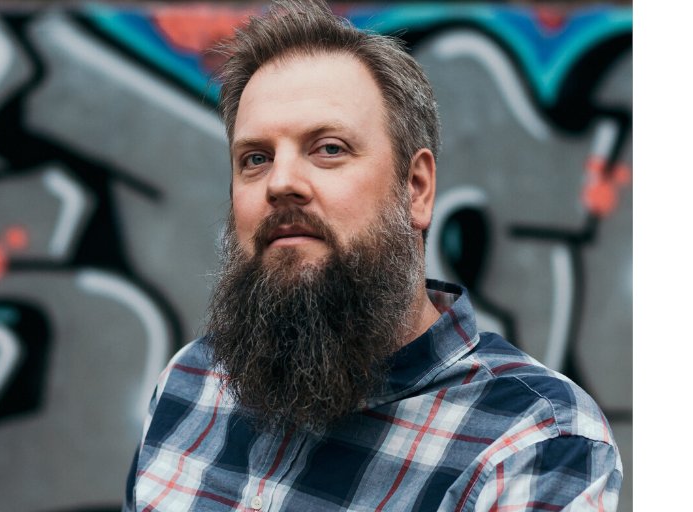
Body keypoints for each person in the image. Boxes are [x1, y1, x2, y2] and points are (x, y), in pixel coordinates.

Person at [123, 1, 622, 510]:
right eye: (255, 158)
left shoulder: (534, 441)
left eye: (329, 148)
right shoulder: (192, 381)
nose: (281, 182)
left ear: (416, 188)